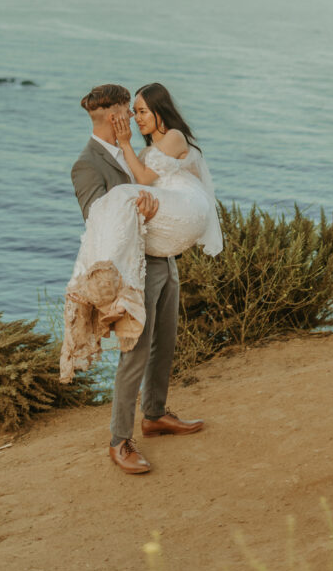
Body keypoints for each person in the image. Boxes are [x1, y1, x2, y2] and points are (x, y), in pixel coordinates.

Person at [61, 82, 222, 475]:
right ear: (113, 117)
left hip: (164, 260)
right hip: (136, 270)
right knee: (135, 352)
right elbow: (96, 220)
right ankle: (120, 441)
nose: (132, 118)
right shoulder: (87, 164)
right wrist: (140, 213)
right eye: (127, 112)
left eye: (135, 111)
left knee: (165, 340)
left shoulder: (146, 151)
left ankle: (154, 414)